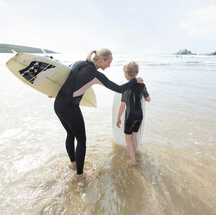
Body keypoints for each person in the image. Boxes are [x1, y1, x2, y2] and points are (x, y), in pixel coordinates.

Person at [54, 48, 144, 180]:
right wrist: (134, 80)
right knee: (81, 139)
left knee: (70, 134)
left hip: (58, 104)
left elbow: (62, 77)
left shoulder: (78, 63)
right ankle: (80, 175)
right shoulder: (95, 74)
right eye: (109, 62)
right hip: (70, 108)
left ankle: (73, 163)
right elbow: (119, 89)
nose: (109, 65)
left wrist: (51, 92)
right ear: (102, 60)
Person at [116, 61, 150, 166]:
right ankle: (134, 156)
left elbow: (122, 105)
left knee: (128, 139)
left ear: (126, 72)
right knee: (134, 136)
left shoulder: (126, 87)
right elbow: (148, 99)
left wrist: (118, 118)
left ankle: (133, 161)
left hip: (130, 116)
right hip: (140, 116)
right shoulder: (142, 85)